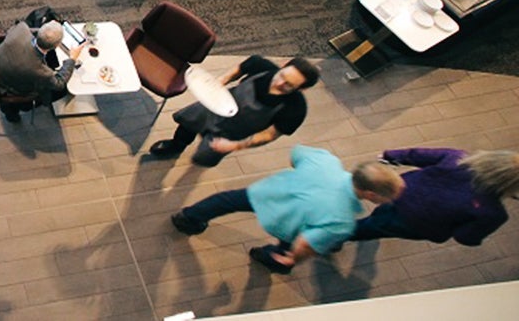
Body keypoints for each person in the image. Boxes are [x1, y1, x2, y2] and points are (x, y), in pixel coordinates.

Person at [171, 146, 404, 274]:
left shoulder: (326, 161)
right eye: (388, 197)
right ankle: (266, 257)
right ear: (371, 195)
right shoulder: (341, 222)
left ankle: (188, 218)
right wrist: (292, 258)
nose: (390, 201)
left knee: (227, 201)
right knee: (283, 250)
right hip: (287, 227)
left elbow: (296, 155)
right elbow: (305, 244)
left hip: (270, 193)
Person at [149, 56, 319, 167]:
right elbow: (238, 70)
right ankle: (176, 146)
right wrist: (220, 82)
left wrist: (236, 145)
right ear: (283, 66)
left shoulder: (296, 109)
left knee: (204, 157)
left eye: (289, 85)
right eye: (282, 75)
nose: (280, 83)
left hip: (233, 134)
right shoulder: (260, 65)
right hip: (215, 106)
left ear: (302, 89)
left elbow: (269, 135)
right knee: (187, 125)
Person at [352, 148, 518, 246]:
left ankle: (368, 222)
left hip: (401, 191)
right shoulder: (493, 213)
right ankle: (342, 234)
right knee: (377, 227)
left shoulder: (457, 158)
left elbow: (418, 154)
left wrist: (390, 155)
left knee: (383, 213)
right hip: (418, 223)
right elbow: (465, 237)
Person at [0, 19, 85, 122]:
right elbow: (59, 83)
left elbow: (30, 31)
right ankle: (15, 109)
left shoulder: (21, 27)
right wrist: (72, 59)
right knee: (63, 90)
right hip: (9, 85)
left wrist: (48, 32)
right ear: (56, 46)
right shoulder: (41, 71)